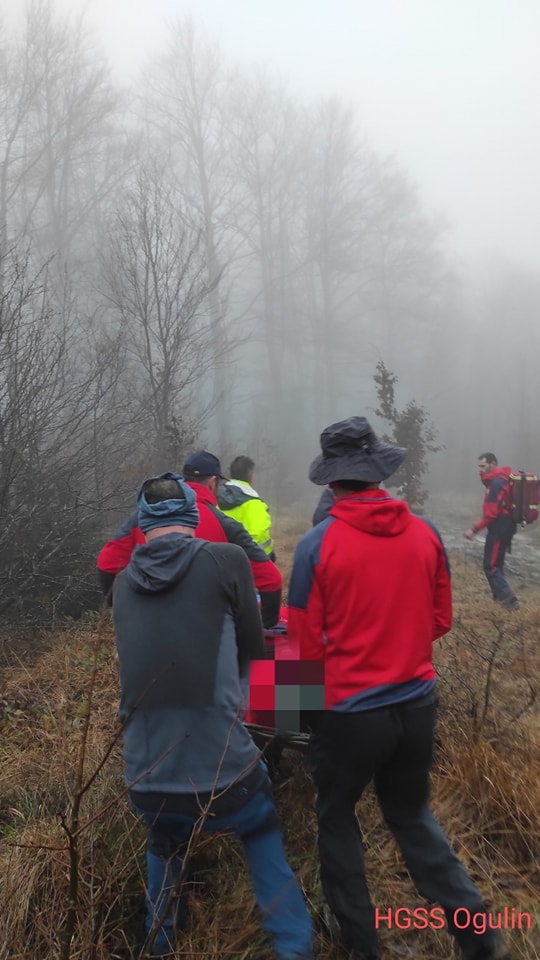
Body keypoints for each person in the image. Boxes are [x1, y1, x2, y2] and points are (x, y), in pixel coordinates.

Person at [287, 417, 508, 960]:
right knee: (412, 815)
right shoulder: (426, 532)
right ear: (379, 471)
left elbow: (301, 647)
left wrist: (299, 716)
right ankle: (480, 937)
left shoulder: (316, 546)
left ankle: (362, 947)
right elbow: (440, 620)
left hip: (348, 715)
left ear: (331, 481)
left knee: (336, 816)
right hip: (416, 705)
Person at [112, 472, 314, 960]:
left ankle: (159, 940)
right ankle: (293, 946)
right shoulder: (226, 559)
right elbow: (253, 651)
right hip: (227, 776)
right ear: (195, 513)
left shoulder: (120, 583)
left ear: (142, 521)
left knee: (165, 838)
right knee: (261, 825)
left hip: (144, 779)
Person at [97, 450, 282, 627]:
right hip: (208, 635)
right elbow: (271, 579)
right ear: (212, 482)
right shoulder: (224, 524)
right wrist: (264, 625)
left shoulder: (144, 515)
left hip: (146, 631)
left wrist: (123, 609)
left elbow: (107, 564)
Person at [464, 452, 518, 609]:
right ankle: (498, 599)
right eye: (479, 466)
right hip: (508, 525)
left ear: (493, 464)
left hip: (499, 526)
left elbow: (490, 514)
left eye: (483, 466)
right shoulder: (503, 480)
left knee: (490, 565)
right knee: (497, 563)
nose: (480, 469)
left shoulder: (496, 484)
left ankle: (510, 600)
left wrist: (473, 530)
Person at [218, 455, 275, 559]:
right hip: (249, 565)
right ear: (251, 476)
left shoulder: (215, 498)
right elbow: (259, 537)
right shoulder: (254, 503)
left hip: (217, 561)